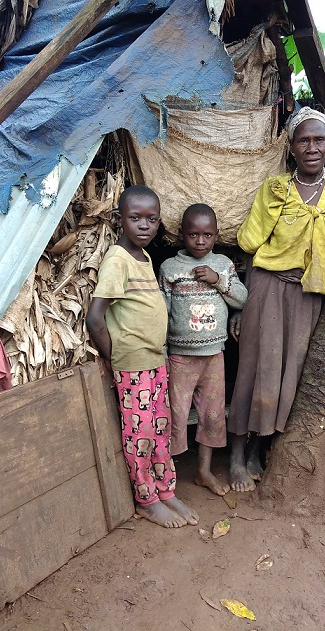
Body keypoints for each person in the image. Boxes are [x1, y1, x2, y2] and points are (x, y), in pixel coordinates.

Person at [227, 107, 325, 492]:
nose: (311, 147)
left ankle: (260, 448)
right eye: (303, 140)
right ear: (291, 147)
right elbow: (249, 243)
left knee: (290, 372)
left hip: (309, 292)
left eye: (319, 139)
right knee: (254, 371)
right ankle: (237, 456)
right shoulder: (276, 190)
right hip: (267, 287)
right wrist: (242, 304)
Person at [87, 185, 198, 528]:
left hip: (154, 361)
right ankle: (147, 499)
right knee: (141, 434)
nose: (145, 226)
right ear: (120, 220)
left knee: (160, 430)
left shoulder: (145, 256)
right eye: (136, 218)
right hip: (132, 365)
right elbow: (96, 317)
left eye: (152, 219)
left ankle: (166, 490)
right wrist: (113, 357)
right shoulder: (118, 260)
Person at [159, 204, 248, 496]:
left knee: (211, 415)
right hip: (180, 358)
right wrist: (162, 351)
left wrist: (218, 280)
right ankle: (167, 475)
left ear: (216, 235)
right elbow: (163, 312)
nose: (200, 241)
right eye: (193, 234)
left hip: (214, 356)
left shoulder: (222, 264)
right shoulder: (170, 268)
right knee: (176, 415)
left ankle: (203, 471)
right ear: (181, 235)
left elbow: (242, 299)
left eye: (207, 235)